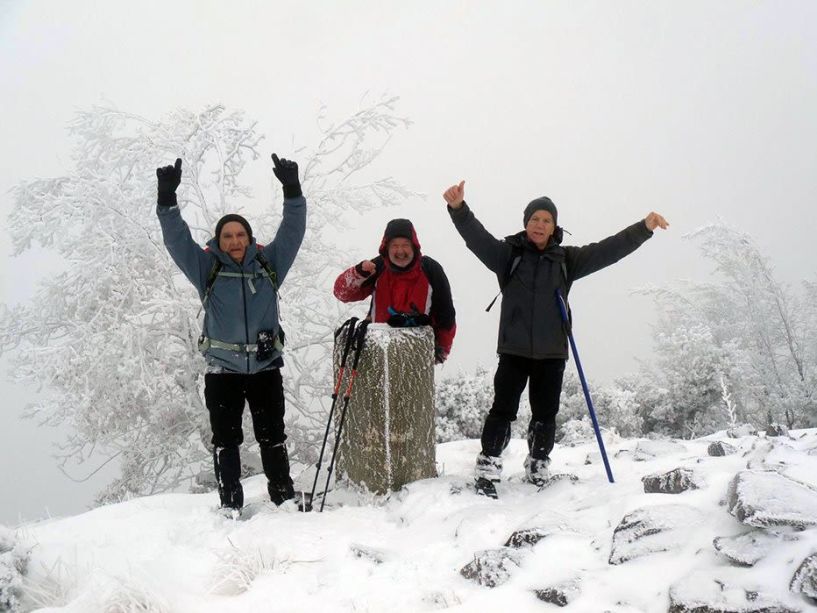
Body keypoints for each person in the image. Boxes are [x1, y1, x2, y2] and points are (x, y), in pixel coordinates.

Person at [442, 180, 668, 492]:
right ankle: (488, 467)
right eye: (535, 219)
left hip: (551, 353)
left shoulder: (566, 260)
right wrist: (458, 209)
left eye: (546, 220)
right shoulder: (508, 255)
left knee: (545, 415)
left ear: (554, 227)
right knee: (502, 410)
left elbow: (608, 250)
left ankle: (538, 466)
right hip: (514, 350)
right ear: (526, 222)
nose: (540, 224)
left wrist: (644, 228)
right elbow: (477, 238)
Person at [155, 154, 306, 512]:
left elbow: (293, 230)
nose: (235, 241)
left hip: (266, 367)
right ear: (219, 241)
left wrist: (292, 189)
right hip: (222, 371)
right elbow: (177, 241)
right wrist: (167, 200)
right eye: (228, 236)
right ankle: (230, 505)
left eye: (240, 235)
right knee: (226, 440)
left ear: (250, 239)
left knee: (273, 436)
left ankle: (283, 500)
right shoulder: (206, 268)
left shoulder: (269, 264)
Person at [333, 218, 456, 364]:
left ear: (414, 246)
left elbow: (446, 314)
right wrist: (358, 273)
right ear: (386, 248)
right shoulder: (377, 267)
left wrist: (441, 351)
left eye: (405, 245)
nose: (400, 251)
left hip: (417, 354)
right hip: (377, 354)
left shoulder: (430, 270)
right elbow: (342, 293)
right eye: (394, 245)